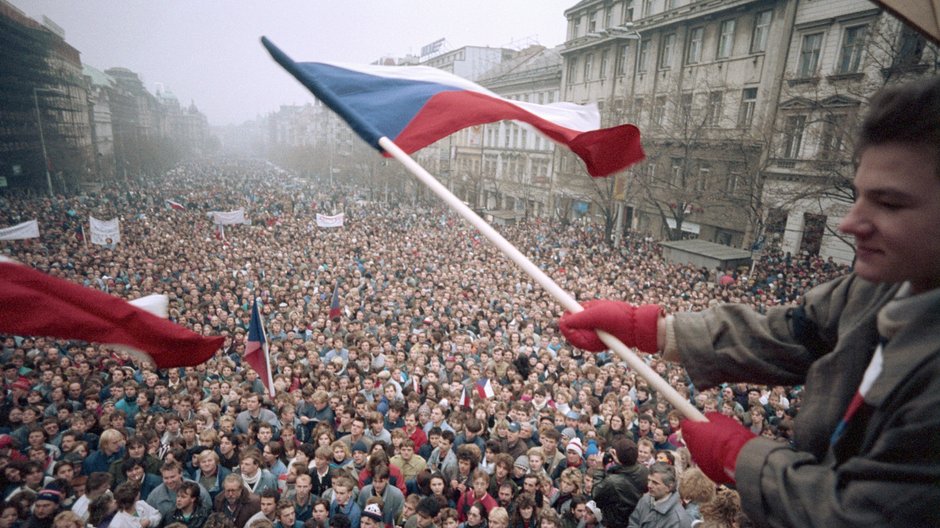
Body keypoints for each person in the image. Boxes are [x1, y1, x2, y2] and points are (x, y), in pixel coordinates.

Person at [559, 76, 940, 527]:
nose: (851, 221)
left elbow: (862, 516)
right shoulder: (885, 282)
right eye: (858, 196)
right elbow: (795, 330)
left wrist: (746, 461)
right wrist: (655, 330)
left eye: (890, 204)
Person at [591, 437, 646, 527]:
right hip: (635, 520)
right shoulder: (643, 470)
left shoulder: (613, 482)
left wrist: (599, 469)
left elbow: (596, 494)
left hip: (616, 522)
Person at [625, 464, 689, 528]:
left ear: (669, 487)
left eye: (655, 483)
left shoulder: (677, 519)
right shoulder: (645, 499)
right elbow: (633, 522)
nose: (649, 485)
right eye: (649, 480)